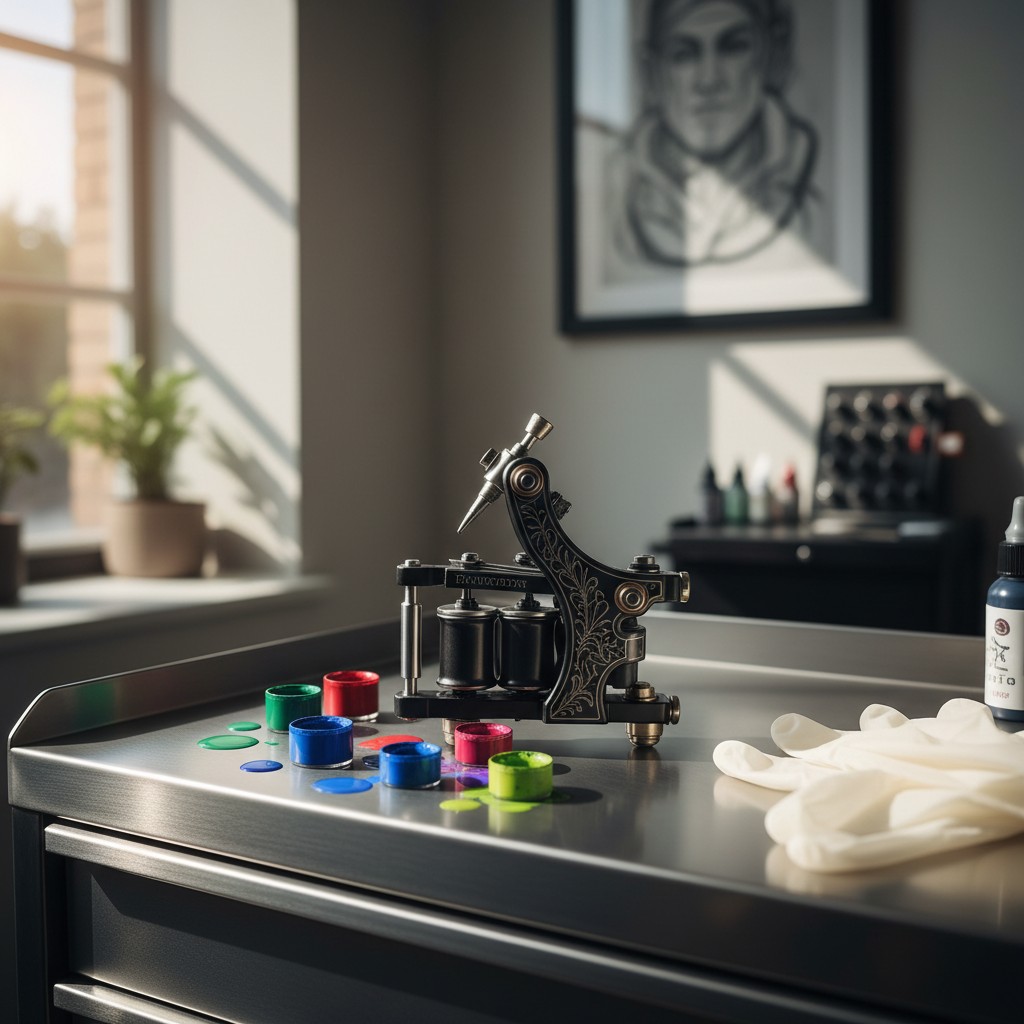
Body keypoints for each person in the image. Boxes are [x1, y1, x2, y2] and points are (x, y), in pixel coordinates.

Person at [605, 0, 819, 270]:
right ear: (651, 72)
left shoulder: (814, 197)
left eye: (733, 47)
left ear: (772, 56)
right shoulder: (611, 197)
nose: (709, 80)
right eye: (683, 54)